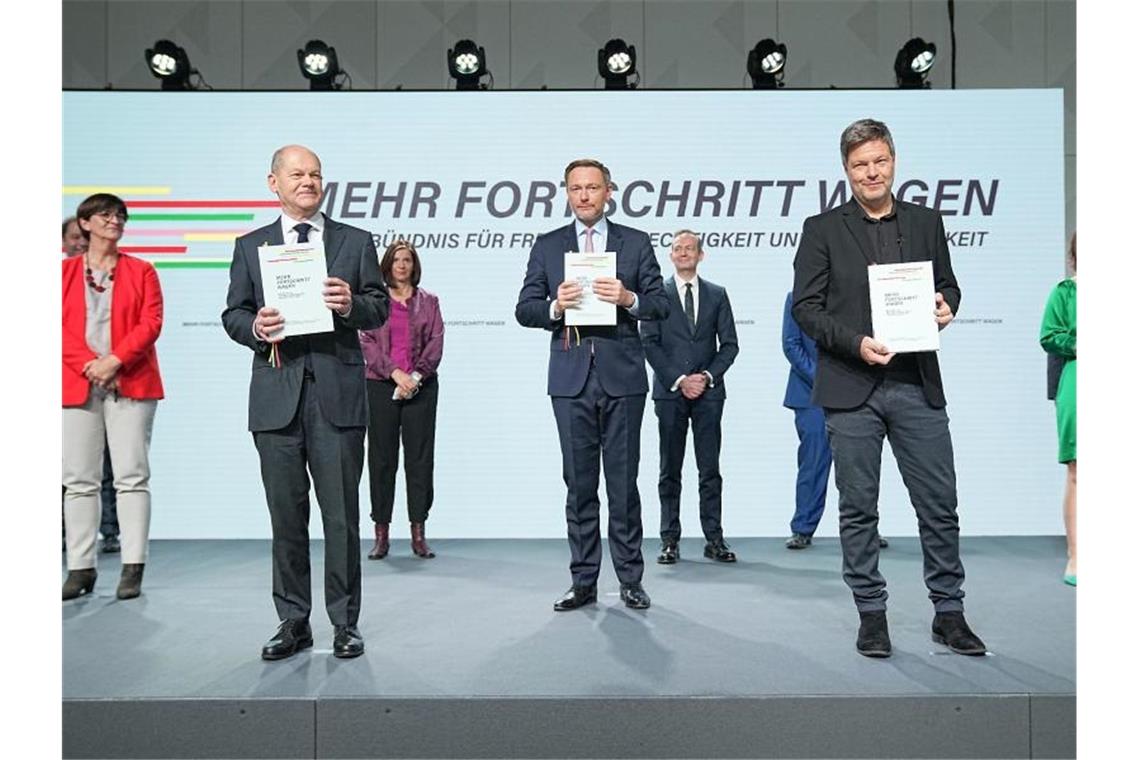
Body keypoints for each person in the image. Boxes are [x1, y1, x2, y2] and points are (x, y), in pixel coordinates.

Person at [791, 118, 986, 658]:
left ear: (893, 160)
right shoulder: (822, 228)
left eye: (879, 161)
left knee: (939, 505)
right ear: (846, 170)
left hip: (915, 383)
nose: (871, 172)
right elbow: (806, 309)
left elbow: (947, 283)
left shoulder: (927, 221)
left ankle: (949, 612)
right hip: (853, 386)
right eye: (860, 165)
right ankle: (871, 615)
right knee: (859, 509)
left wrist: (948, 305)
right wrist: (855, 344)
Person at [222, 145, 388, 660]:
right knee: (285, 518)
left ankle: (344, 622)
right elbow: (233, 313)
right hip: (276, 398)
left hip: (337, 398)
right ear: (274, 182)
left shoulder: (355, 241)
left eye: (316, 173)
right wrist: (254, 327)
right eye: (297, 174)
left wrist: (351, 305)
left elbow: (378, 308)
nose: (308, 181)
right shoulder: (251, 245)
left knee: (341, 517)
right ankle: (293, 620)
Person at [516, 158, 669, 611]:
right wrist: (554, 307)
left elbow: (659, 304)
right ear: (566, 192)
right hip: (570, 379)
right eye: (575, 188)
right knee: (579, 485)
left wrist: (629, 298)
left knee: (623, 484)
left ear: (609, 192)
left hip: (623, 377)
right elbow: (525, 308)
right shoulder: (547, 246)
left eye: (592, 187)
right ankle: (583, 580)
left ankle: (630, 579)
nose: (584, 195)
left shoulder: (636, 243)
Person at [62, 194, 164, 601]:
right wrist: (92, 365)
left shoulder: (141, 271)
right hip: (78, 381)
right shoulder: (63, 274)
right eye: (105, 214)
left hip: (131, 381)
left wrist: (116, 361)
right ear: (85, 223)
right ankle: (80, 568)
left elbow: (150, 322)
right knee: (78, 481)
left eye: (120, 215)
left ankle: (132, 566)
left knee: (131, 477)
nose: (115, 220)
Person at [641, 230, 739, 564]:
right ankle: (669, 539)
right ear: (670, 255)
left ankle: (715, 539)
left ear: (701, 255)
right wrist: (681, 380)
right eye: (677, 248)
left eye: (689, 248)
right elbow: (649, 343)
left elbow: (729, 345)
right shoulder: (656, 295)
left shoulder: (717, 294)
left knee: (709, 469)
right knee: (670, 469)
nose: (683, 253)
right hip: (670, 394)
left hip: (709, 393)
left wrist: (706, 377)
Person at [781, 291, 888, 552]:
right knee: (813, 462)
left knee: (860, 465)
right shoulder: (797, 297)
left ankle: (865, 530)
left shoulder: (855, 294)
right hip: (811, 394)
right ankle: (802, 528)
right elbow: (791, 345)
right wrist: (823, 379)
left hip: (854, 389)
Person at [359, 241, 444, 560]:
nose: (402, 265)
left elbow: (435, 343)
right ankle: (381, 534)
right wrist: (395, 373)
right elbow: (366, 341)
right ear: (387, 265)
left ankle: (418, 533)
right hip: (381, 386)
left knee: (420, 460)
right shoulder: (374, 302)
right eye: (396, 260)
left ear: (414, 265)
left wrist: (416, 377)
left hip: (421, 388)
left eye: (407, 259)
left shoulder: (430, 302)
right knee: (382, 460)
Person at [63, 217, 122, 553]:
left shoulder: (123, 273)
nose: (80, 244)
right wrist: (88, 364)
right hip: (70, 381)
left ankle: (110, 531)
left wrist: (109, 364)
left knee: (110, 465)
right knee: (71, 468)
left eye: (82, 238)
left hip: (112, 379)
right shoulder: (60, 278)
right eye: (74, 238)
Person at [1040, 233, 1076, 587]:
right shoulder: (1066, 292)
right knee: (1079, 471)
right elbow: (1049, 336)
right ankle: (1076, 555)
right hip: (1077, 380)